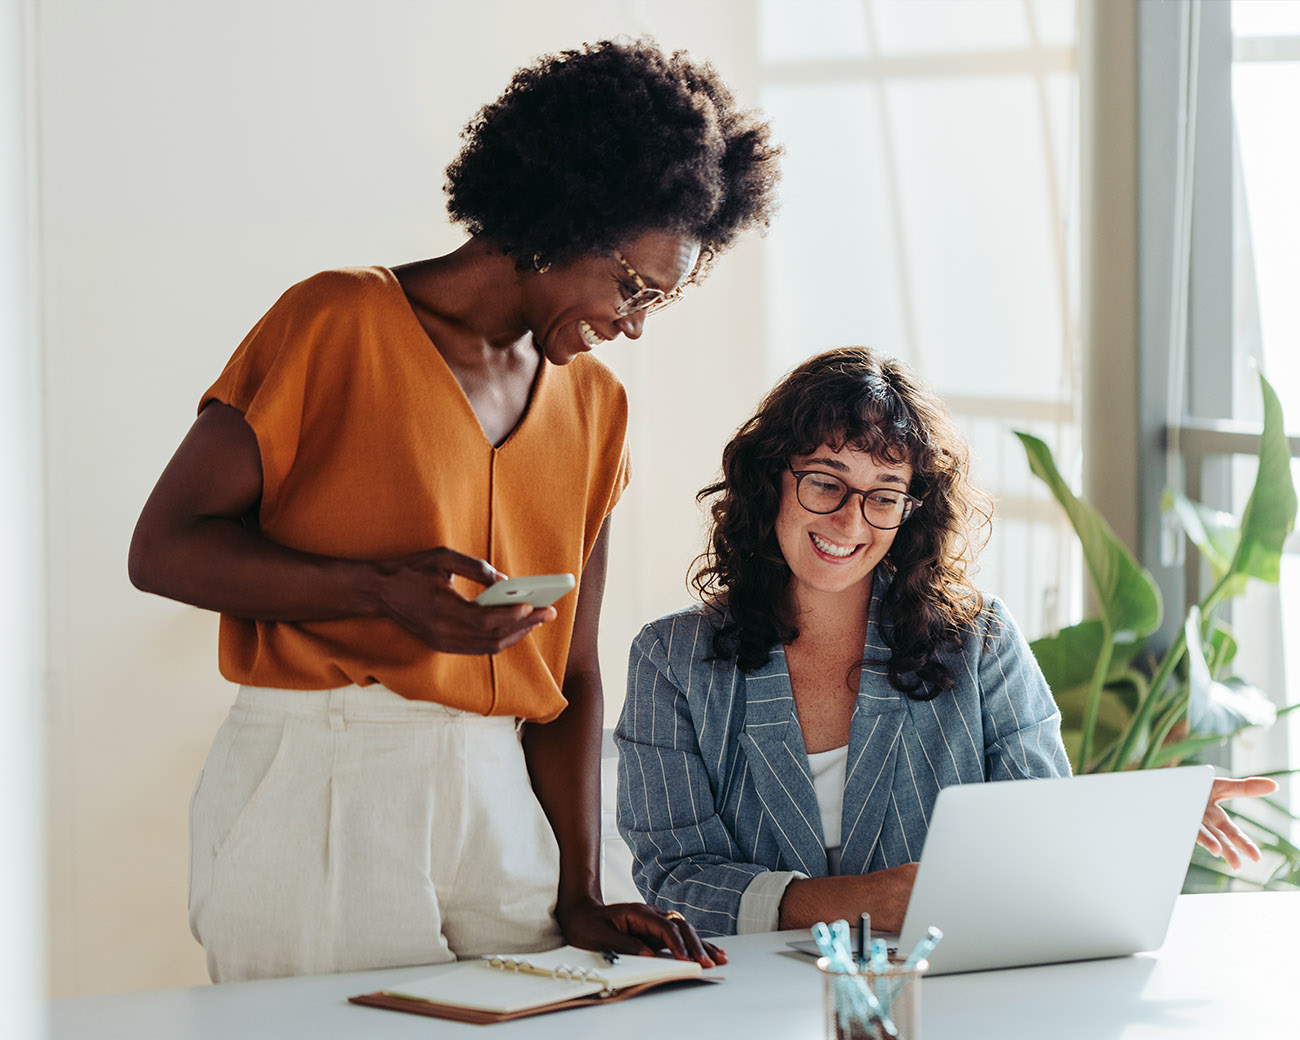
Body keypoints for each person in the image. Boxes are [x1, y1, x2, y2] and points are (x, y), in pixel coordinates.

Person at [128, 37, 781, 982]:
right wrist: (375, 592)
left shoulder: (596, 407)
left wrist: (581, 892)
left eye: (658, 303)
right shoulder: (336, 321)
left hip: (500, 795)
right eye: (632, 286)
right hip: (325, 775)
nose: (633, 322)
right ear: (564, 220)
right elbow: (164, 547)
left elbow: (573, 673)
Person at [615, 347, 1276, 937]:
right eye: (824, 481)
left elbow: (1036, 832)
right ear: (771, 481)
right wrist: (856, 900)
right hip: (750, 1005)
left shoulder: (980, 642)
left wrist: (1143, 816)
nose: (851, 518)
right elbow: (675, 879)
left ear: (911, 511)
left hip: (948, 989)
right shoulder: (671, 659)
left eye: (884, 495)